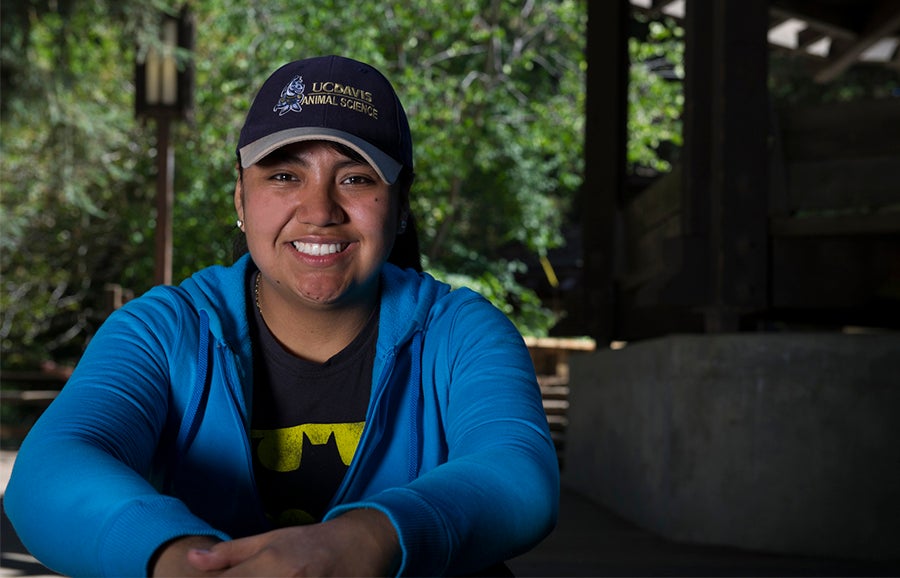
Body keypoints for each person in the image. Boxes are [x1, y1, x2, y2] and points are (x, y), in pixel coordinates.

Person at [4, 55, 559, 577]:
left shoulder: (462, 332)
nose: (320, 211)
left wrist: (368, 540)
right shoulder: (165, 331)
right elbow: (53, 465)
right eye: (284, 176)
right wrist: (182, 561)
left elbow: (517, 474)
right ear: (242, 201)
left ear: (402, 206)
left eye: (357, 178)